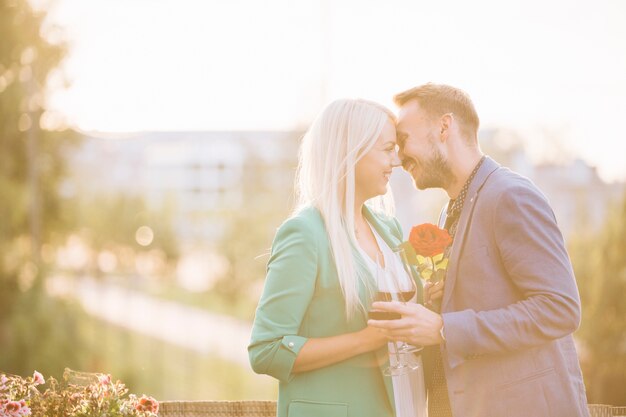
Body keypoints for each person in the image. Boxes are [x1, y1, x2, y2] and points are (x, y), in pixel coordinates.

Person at [368, 83, 589, 417]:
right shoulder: (450, 209)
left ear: (444, 127)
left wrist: (444, 327)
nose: (399, 157)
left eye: (403, 140)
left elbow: (559, 309)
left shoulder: (510, 196)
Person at [248, 99, 433, 417]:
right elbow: (266, 350)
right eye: (387, 149)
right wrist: (366, 340)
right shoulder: (306, 234)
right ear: (352, 151)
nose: (397, 161)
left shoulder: (388, 228)